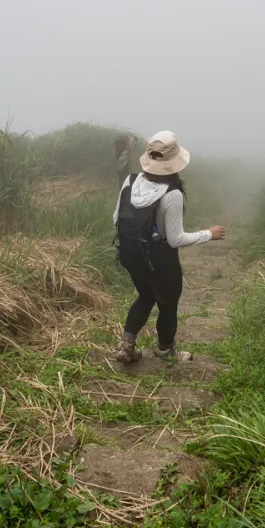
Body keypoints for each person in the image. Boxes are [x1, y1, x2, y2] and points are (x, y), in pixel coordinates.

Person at [111, 131, 226, 362]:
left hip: (130, 253)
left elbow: (116, 218)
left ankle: (127, 345)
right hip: (160, 259)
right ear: (175, 162)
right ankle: (165, 349)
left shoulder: (130, 181)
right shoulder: (171, 194)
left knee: (145, 295)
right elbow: (175, 240)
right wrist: (208, 234)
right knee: (167, 302)